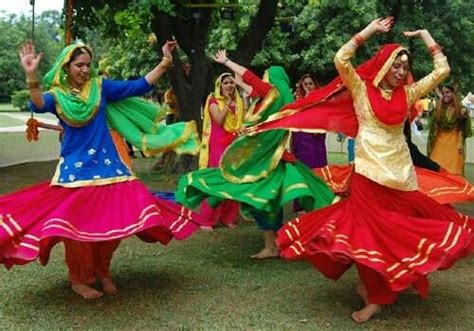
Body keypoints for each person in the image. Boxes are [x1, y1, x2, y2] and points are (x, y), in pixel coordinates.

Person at [250, 17, 473, 323]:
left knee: (397, 232)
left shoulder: (407, 94)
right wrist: (369, 31)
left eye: (405, 68)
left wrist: (426, 36)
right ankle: (377, 294)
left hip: (400, 178)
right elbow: (341, 58)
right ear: (383, 65)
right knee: (366, 233)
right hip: (368, 174)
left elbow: (442, 71)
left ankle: (391, 280)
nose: (401, 72)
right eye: (396, 66)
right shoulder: (360, 88)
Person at [0, 40, 202, 300]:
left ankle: (102, 271)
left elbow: (138, 85)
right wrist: (31, 74)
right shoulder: (59, 95)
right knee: (76, 229)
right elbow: (38, 104)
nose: (84, 70)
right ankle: (80, 278)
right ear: (67, 66)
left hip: (110, 167)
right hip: (75, 172)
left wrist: (164, 62)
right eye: (78, 65)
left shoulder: (100, 87)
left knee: (119, 219)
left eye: (87, 65)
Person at [176, 50, 335, 259]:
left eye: (266, 77)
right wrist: (234, 82)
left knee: (265, 201)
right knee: (269, 200)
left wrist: (227, 61)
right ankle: (279, 243)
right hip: (271, 160)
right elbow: (249, 86)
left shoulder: (273, 93)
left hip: (265, 162)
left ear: (273, 81)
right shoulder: (273, 99)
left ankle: (272, 247)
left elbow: (250, 79)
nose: (263, 80)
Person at [198, 73, 245, 229]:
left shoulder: (238, 101)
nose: (229, 86)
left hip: (232, 144)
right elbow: (218, 119)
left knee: (231, 179)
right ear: (220, 85)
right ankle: (208, 220)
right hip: (217, 144)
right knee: (217, 179)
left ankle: (228, 218)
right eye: (226, 83)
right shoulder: (213, 100)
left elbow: (241, 122)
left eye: (232, 83)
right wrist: (227, 103)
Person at [427, 85, 472, 175]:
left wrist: (464, 116)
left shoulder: (460, 109)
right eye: (443, 93)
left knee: (453, 169)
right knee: (437, 168)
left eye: (447, 92)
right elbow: (433, 125)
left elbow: (464, 126)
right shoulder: (438, 108)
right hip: (439, 143)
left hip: (454, 143)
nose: (445, 95)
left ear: (453, 94)